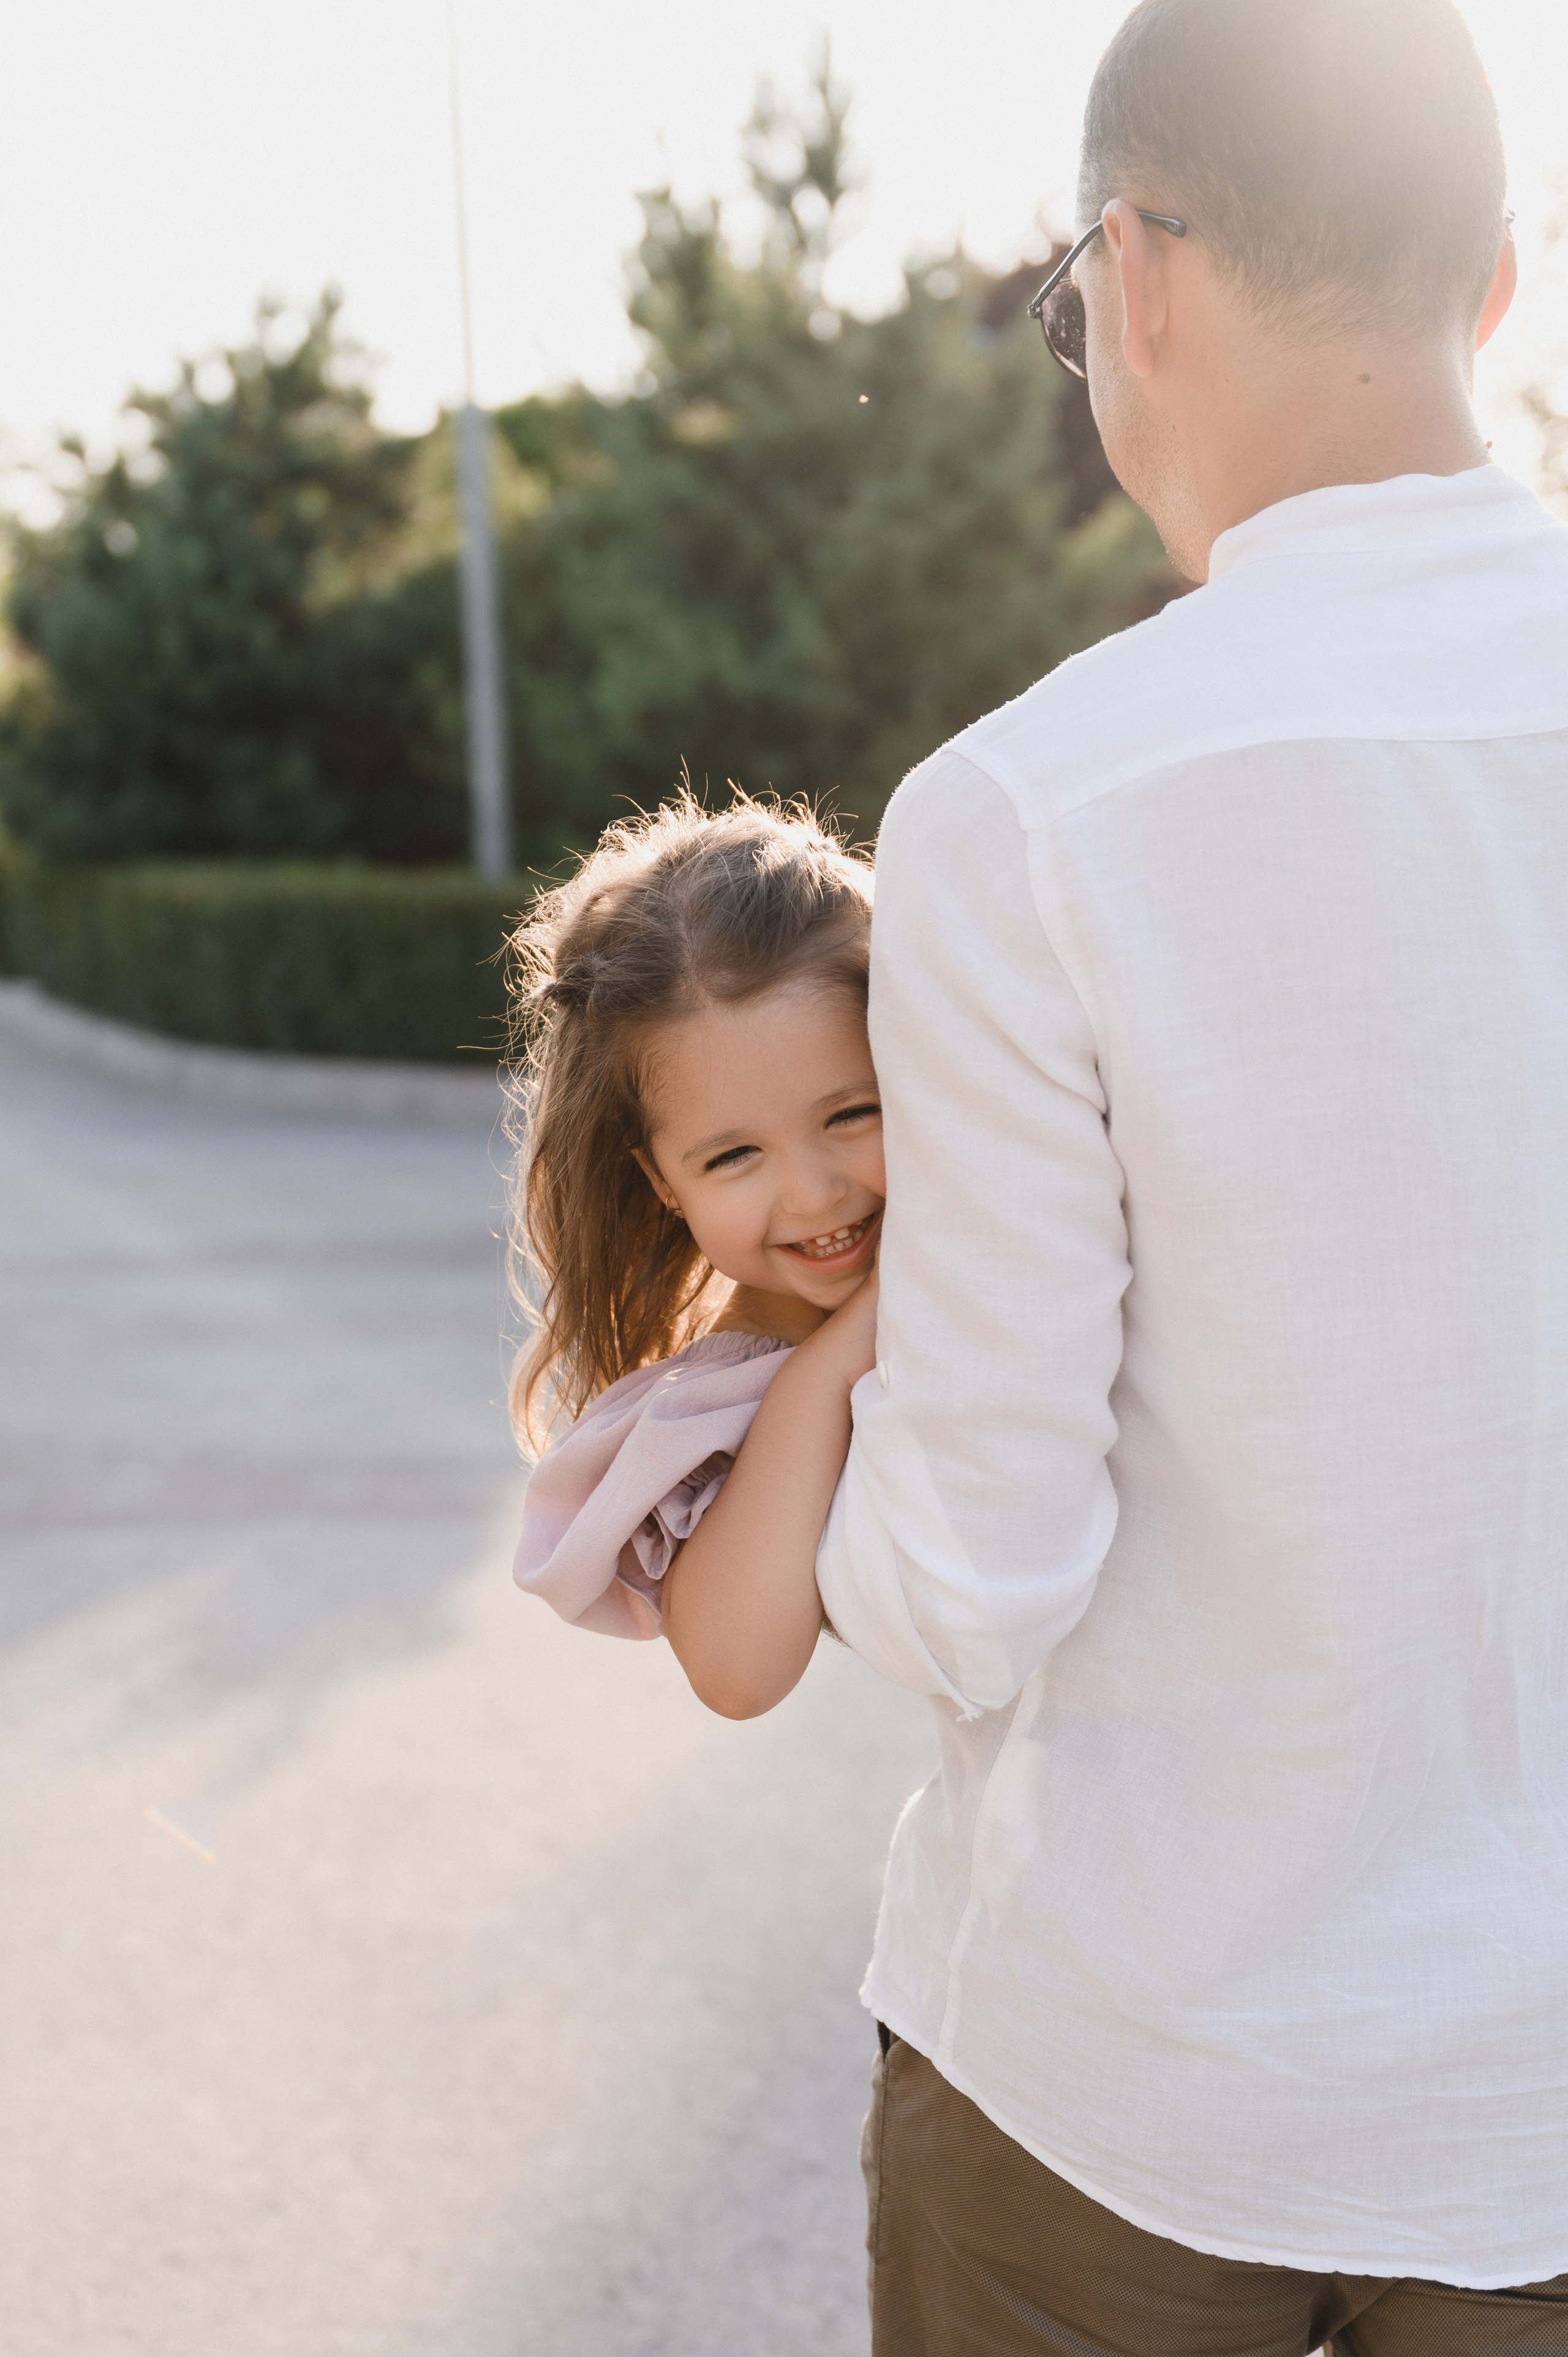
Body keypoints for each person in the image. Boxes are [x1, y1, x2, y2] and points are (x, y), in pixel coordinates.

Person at [801, 0, 1568, 2348]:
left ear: (1135, 274)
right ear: (1497, 285)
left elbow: (975, 1570)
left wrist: (771, 1457)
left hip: (1119, 2072)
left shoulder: (1033, 812)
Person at [507, 793, 882, 1712]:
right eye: (733, 1156)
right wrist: (827, 1369)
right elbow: (736, 1674)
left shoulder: (1025, 1225)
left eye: (851, 1113)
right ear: (664, 1182)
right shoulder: (717, 1411)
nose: (813, 1194)